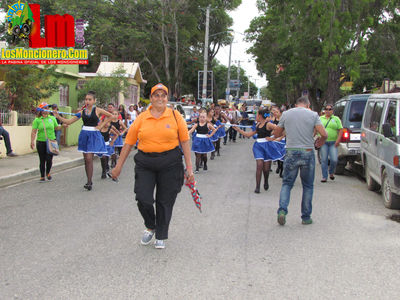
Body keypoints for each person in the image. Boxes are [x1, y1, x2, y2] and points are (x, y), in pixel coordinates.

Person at [111, 83, 194, 249]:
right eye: (156, 95)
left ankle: (161, 234)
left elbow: (184, 141)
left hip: (170, 162)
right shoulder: (142, 117)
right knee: (143, 198)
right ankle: (151, 226)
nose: (160, 98)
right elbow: (129, 142)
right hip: (145, 163)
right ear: (151, 98)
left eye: (163, 95)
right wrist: (118, 166)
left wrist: (189, 168)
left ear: (167, 98)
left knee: (165, 200)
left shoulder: (175, 116)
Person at [273, 96, 327, 225]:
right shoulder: (313, 115)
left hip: (291, 151)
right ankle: (306, 217)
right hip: (307, 152)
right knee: (308, 186)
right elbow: (324, 134)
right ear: (308, 105)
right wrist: (320, 142)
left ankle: (282, 211)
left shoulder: (286, 114)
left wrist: (287, 131)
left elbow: (277, 133)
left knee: (287, 184)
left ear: (296, 104)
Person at [53, 91, 112, 191]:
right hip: (84, 135)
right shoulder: (82, 112)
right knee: (86, 159)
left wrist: (101, 125)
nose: (87, 101)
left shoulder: (97, 110)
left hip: (93, 135)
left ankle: (89, 181)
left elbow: (110, 116)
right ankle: (89, 181)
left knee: (89, 158)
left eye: (90, 99)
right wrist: (58, 116)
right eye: (86, 99)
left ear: (94, 100)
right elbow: (69, 122)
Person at [233, 109, 282, 193]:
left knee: (266, 169)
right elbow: (248, 135)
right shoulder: (257, 125)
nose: (255, 117)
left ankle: (266, 181)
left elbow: (280, 129)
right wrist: (238, 130)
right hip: (258, 146)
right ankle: (257, 187)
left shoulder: (268, 124)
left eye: (256, 115)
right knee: (259, 165)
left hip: (267, 145)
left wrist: (273, 138)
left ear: (260, 116)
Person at [31, 102, 61, 181]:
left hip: (51, 142)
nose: (47, 110)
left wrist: (63, 126)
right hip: (41, 142)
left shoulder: (52, 118)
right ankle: (42, 176)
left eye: (48, 108)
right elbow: (34, 131)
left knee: (49, 159)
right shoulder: (37, 120)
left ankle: (48, 172)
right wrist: (32, 141)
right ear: (41, 110)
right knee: (42, 159)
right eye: (45, 108)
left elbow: (56, 128)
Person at [319, 104, 343, 182]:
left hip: (333, 142)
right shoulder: (320, 118)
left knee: (334, 159)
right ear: (324, 110)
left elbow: (340, 130)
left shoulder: (336, 119)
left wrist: (338, 140)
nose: (328, 111)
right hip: (323, 142)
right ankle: (324, 176)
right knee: (324, 159)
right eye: (326, 109)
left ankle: (331, 172)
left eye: (330, 109)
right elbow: (316, 128)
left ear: (332, 111)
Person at [271, 106, 284, 177]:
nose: (275, 113)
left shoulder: (283, 119)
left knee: (282, 155)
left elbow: (285, 131)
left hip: (282, 139)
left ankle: (282, 169)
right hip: (275, 138)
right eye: (274, 112)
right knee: (277, 153)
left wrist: (281, 137)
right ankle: (279, 166)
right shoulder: (273, 119)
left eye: (276, 112)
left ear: (280, 112)